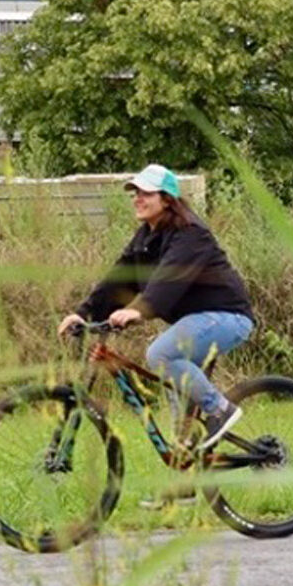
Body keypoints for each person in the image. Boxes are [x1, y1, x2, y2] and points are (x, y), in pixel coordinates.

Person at [57, 163, 254, 449]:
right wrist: (83, 313)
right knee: (180, 421)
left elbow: (169, 278)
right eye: (135, 192)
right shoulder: (146, 237)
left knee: (160, 354)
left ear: (167, 199)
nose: (137, 198)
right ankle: (186, 484)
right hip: (193, 324)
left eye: (146, 192)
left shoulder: (191, 234)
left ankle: (220, 411)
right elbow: (117, 280)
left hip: (226, 317)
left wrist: (139, 309)